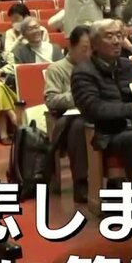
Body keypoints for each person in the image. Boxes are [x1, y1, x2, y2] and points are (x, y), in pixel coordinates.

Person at [71, 19, 132, 185]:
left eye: (119, 36)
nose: (116, 41)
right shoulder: (83, 72)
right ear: (94, 44)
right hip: (108, 133)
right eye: (109, 36)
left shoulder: (128, 66)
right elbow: (94, 109)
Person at [45, 26, 92, 202]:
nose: (88, 54)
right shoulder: (57, 69)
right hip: (67, 119)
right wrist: (79, 96)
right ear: (71, 47)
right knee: (78, 127)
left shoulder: (95, 66)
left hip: (93, 113)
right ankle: (80, 183)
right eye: (84, 49)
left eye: (92, 49)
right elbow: (51, 99)